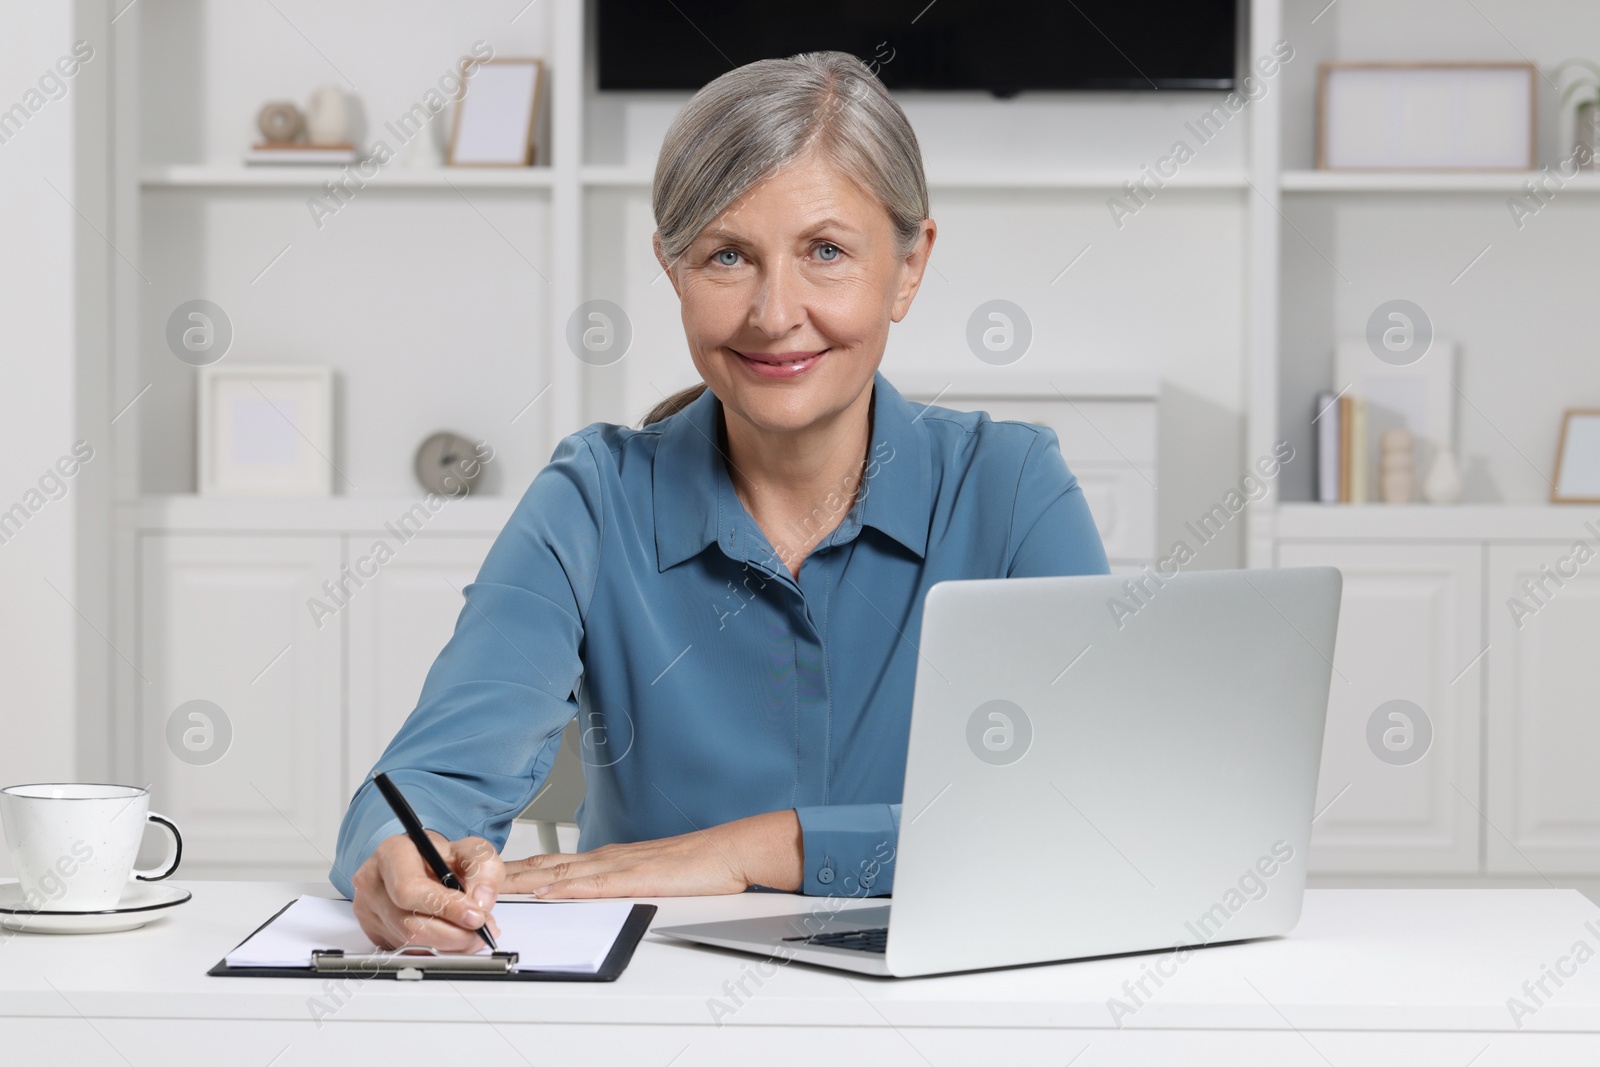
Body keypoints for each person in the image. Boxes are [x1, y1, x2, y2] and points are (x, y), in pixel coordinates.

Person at [332, 50, 1109, 951]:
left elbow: (1084, 816)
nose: (775, 313)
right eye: (728, 255)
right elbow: (431, 779)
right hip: (650, 1014)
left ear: (907, 267)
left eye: (826, 251)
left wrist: (755, 850)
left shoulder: (1012, 489)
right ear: (671, 269)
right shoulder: (589, 502)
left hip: (944, 1010)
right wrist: (398, 852)